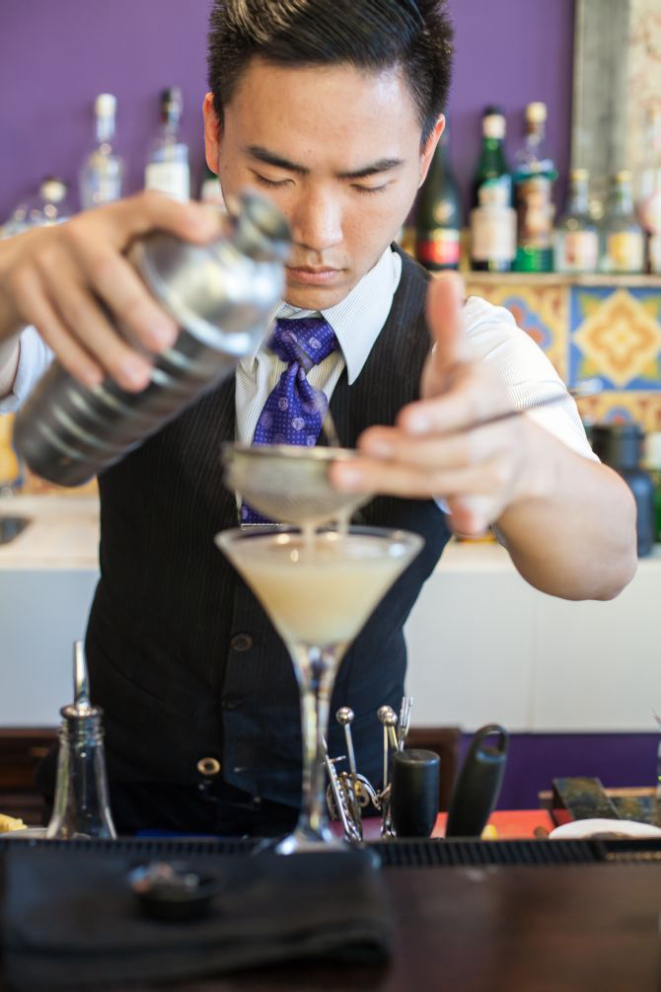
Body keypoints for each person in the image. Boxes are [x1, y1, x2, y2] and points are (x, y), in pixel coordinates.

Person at [0, 0, 636, 836]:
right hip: (113, 805)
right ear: (215, 134)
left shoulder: (466, 345)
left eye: (368, 181)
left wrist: (518, 459)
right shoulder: (141, 298)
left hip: (344, 817)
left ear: (425, 156)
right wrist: (10, 279)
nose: (318, 233)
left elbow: (602, 563)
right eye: (275, 176)